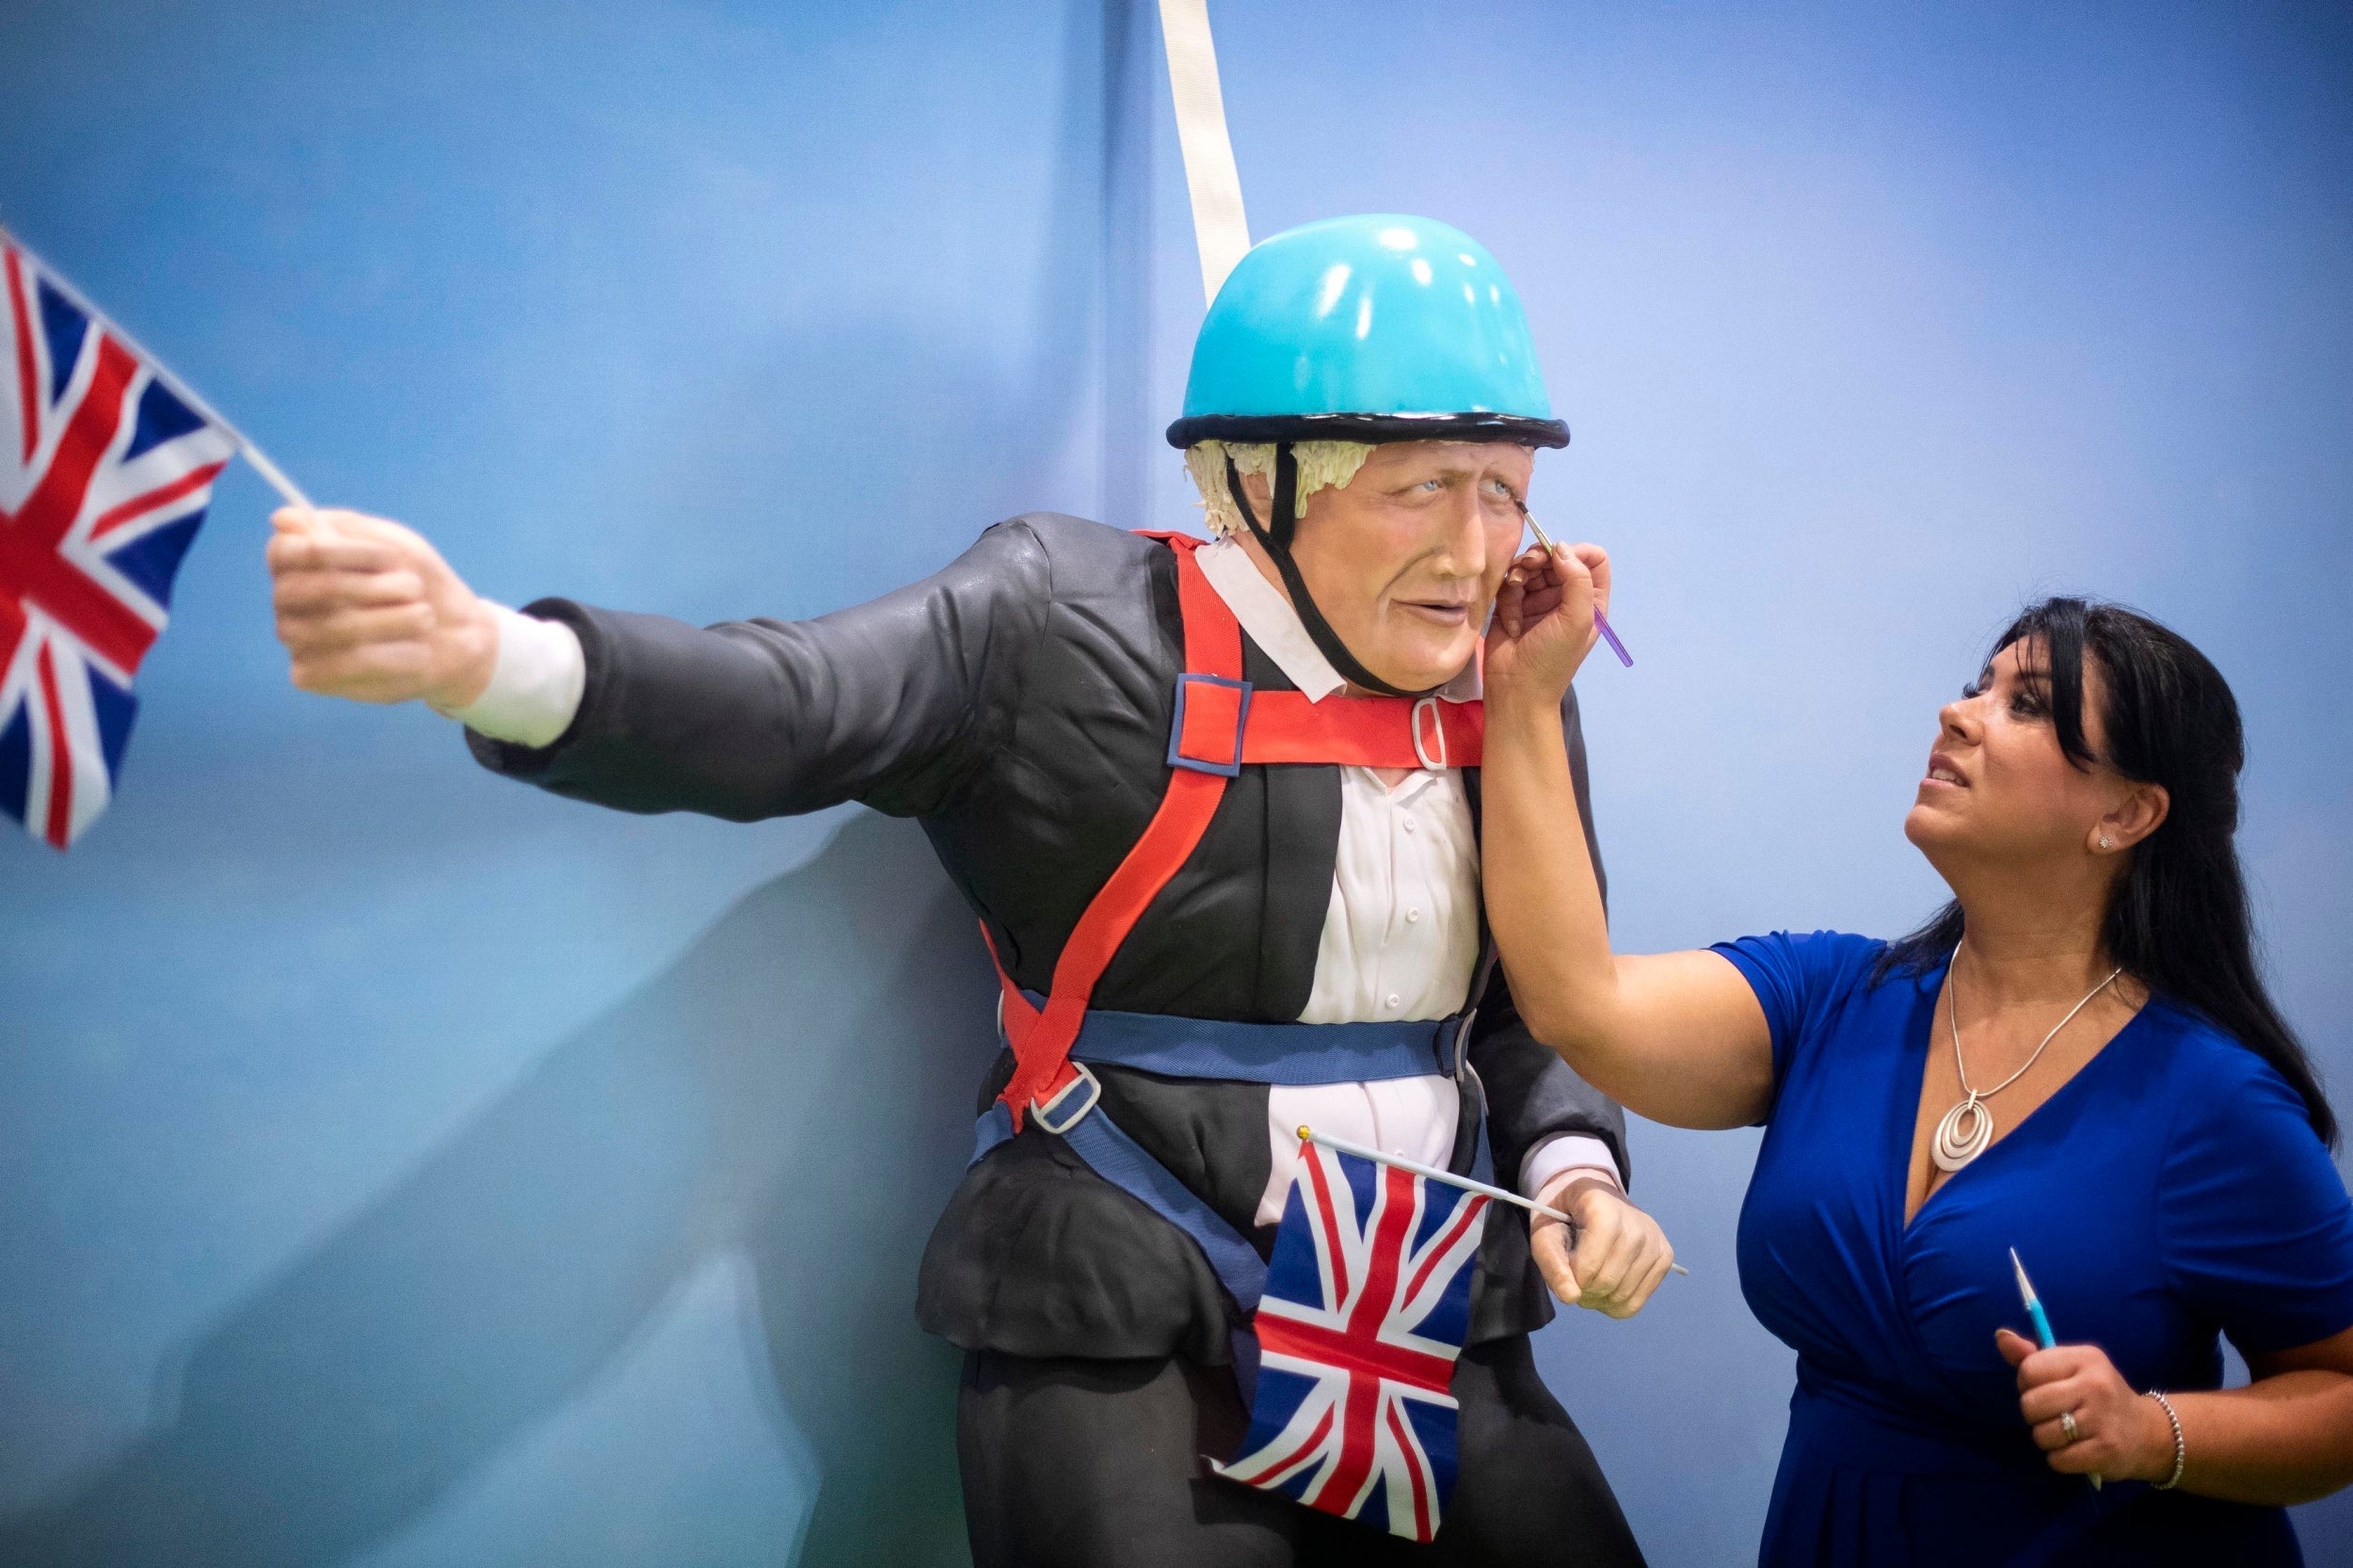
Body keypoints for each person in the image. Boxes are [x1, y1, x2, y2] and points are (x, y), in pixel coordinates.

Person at [265, 216, 1671, 1566]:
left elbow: (1537, 989)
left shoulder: (1514, 679)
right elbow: (794, 705)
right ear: (1254, 481)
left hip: (1420, 1296)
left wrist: (1572, 1163)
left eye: (1507, 492)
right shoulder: (1059, 621)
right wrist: (493, 660)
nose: (1479, 548)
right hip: (1128, 1291)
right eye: (1421, 485)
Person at [1475, 542, 2353, 1565]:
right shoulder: (1829, 998)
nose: (1958, 712)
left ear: (2126, 813)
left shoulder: (2207, 1099)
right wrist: (1527, 696)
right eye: (1976, 685)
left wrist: (2155, 1431)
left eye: (2025, 705)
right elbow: (1574, 1002)